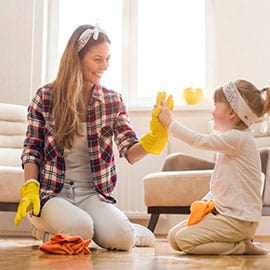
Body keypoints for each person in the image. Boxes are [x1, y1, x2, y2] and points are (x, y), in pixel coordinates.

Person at [14, 23, 173, 251]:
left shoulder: (112, 101)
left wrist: (155, 137)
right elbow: (32, 149)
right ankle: (46, 229)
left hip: (91, 193)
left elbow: (131, 151)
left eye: (108, 59)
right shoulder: (46, 96)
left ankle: (119, 231)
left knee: (122, 240)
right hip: (52, 193)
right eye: (98, 59)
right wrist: (30, 186)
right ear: (76, 58)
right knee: (82, 228)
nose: (105, 66)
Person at [158, 79, 270, 255]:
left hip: (239, 220)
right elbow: (224, 180)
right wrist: (207, 201)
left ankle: (241, 247)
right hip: (226, 215)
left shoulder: (238, 138)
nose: (212, 112)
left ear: (231, 113)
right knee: (173, 238)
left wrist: (170, 123)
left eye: (215, 107)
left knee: (184, 241)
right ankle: (239, 242)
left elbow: (198, 140)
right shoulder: (230, 141)